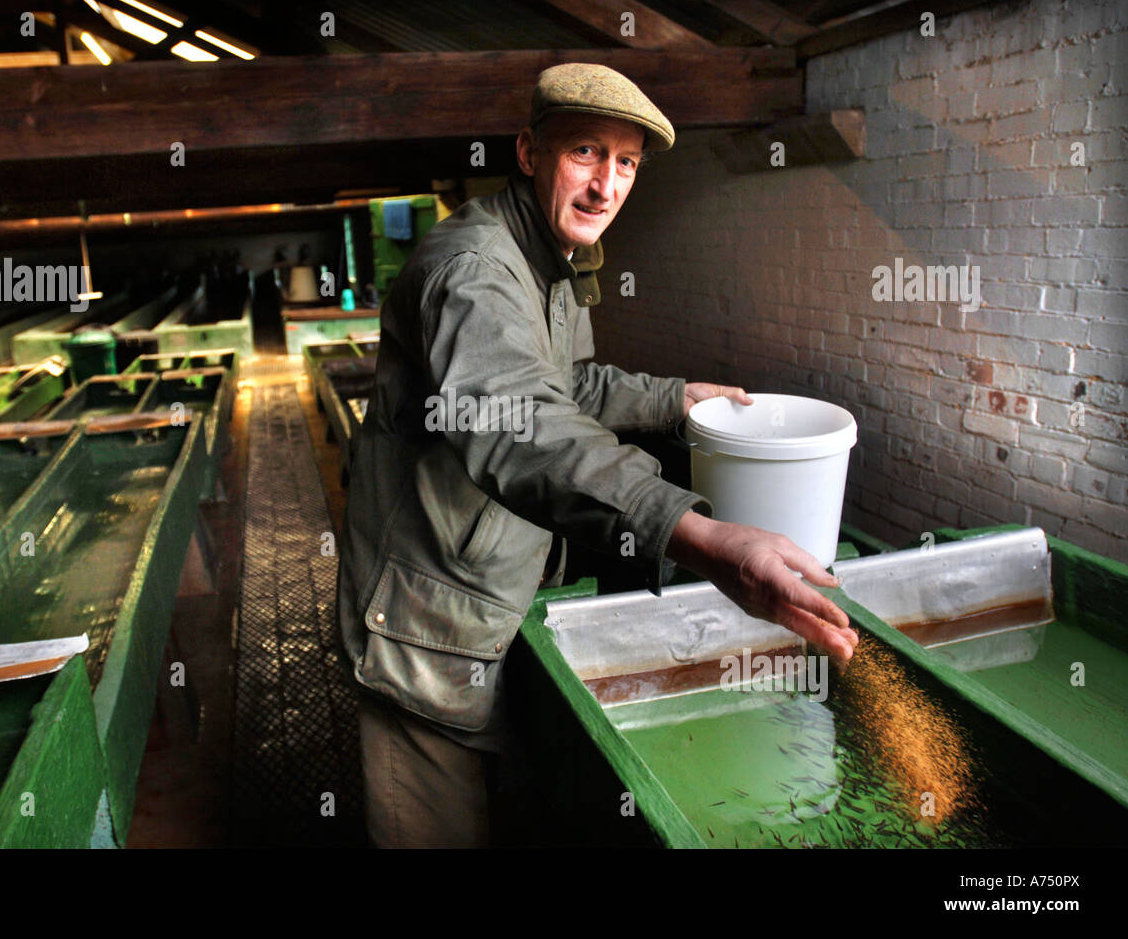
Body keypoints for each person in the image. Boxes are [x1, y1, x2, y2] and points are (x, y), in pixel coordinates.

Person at [336, 63, 857, 848]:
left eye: (627, 164)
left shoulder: (555, 260)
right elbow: (523, 423)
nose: (604, 185)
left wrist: (670, 400)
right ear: (528, 151)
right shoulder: (474, 271)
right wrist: (701, 534)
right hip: (424, 628)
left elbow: (566, 383)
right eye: (585, 152)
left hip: (496, 602)